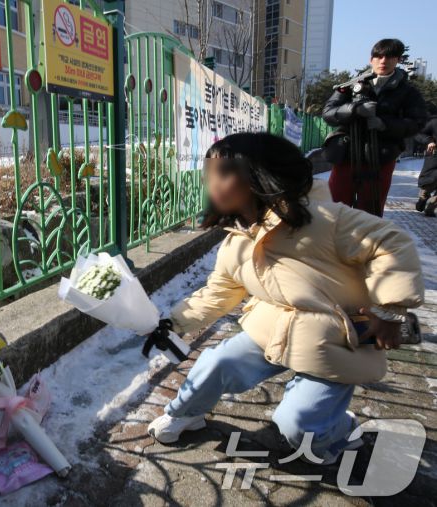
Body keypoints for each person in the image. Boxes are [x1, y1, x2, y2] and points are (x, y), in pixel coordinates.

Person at [147, 133, 424, 464]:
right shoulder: (237, 241)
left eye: (223, 172)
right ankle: (185, 413)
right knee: (214, 363)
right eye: (209, 174)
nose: (211, 183)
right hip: (272, 328)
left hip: (334, 342)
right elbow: (219, 291)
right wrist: (174, 321)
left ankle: (334, 431)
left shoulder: (326, 219)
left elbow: (391, 243)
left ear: (258, 173)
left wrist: (390, 310)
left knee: (299, 427)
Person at [322, 38, 427, 216]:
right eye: (378, 56)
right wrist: (353, 109)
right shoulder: (351, 85)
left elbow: (417, 123)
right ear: (371, 59)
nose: (383, 61)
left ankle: (365, 244)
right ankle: (334, 243)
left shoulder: (408, 92)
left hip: (381, 158)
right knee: (334, 208)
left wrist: (384, 124)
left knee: (369, 212)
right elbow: (328, 113)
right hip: (347, 153)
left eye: (390, 57)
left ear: (398, 60)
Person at [415, 112, 437, 216]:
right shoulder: (434, 122)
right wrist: (429, 141)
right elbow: (419, 133)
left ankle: (431, 207)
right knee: (430, 182)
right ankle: (423, 196)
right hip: (434, 158)